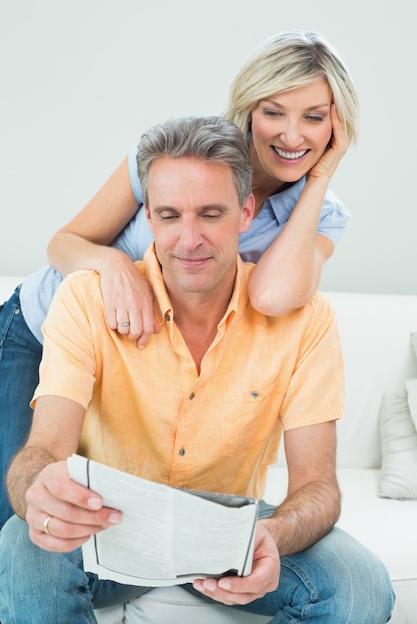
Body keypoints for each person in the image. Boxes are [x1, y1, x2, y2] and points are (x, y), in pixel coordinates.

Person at [0, 116, 394, 623]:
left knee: (361, 585)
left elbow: (317, 486)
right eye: (169, 215)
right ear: (148, 216)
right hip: (109, 524)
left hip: (227, 534)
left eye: (211, 214)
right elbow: (42, 451)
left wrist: (272, 535)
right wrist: (39, 489)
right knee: (20, 542)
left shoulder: (306, 320)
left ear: (246, 211)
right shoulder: (85, 298)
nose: (189, 240)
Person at [0, 29, 358, 527]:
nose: (292, 136)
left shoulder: (322, 216)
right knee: (19, 515)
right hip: (39, 329)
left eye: (314, 118)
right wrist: (113, 266)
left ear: (338, 126)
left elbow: (273, 296)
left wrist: (320, 179)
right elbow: (63, 244)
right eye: (274, 112)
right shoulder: (176, 158)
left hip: (123, 351)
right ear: (250, 108)